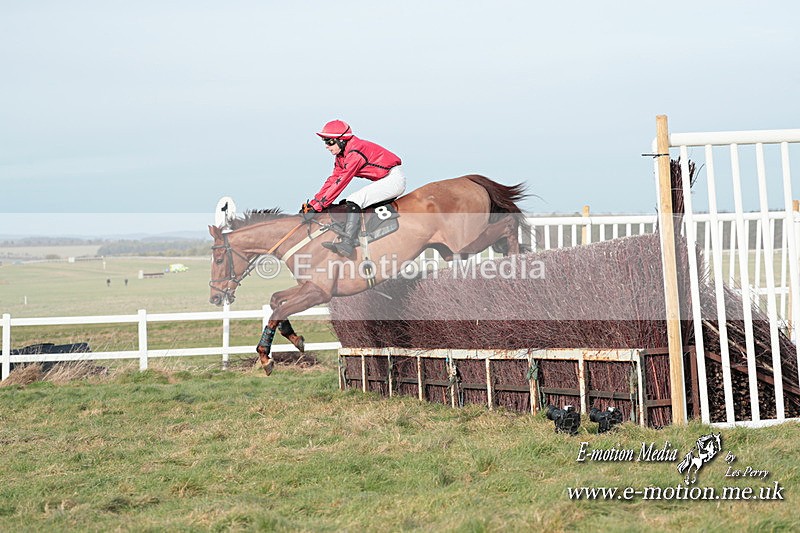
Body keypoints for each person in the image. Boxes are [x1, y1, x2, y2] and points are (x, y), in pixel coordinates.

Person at [301, 120, 405, 257]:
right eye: (324, 141)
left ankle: (347, 242)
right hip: (385, 179)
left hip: (393, 180)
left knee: (354, 200)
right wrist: (313, 204)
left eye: (329, 141)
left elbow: (341, 182)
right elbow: (333, 180)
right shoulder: (341, 156)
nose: (326, 146)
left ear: (342, 140)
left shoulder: (355, 152)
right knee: (347, 203)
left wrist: (318, 207)